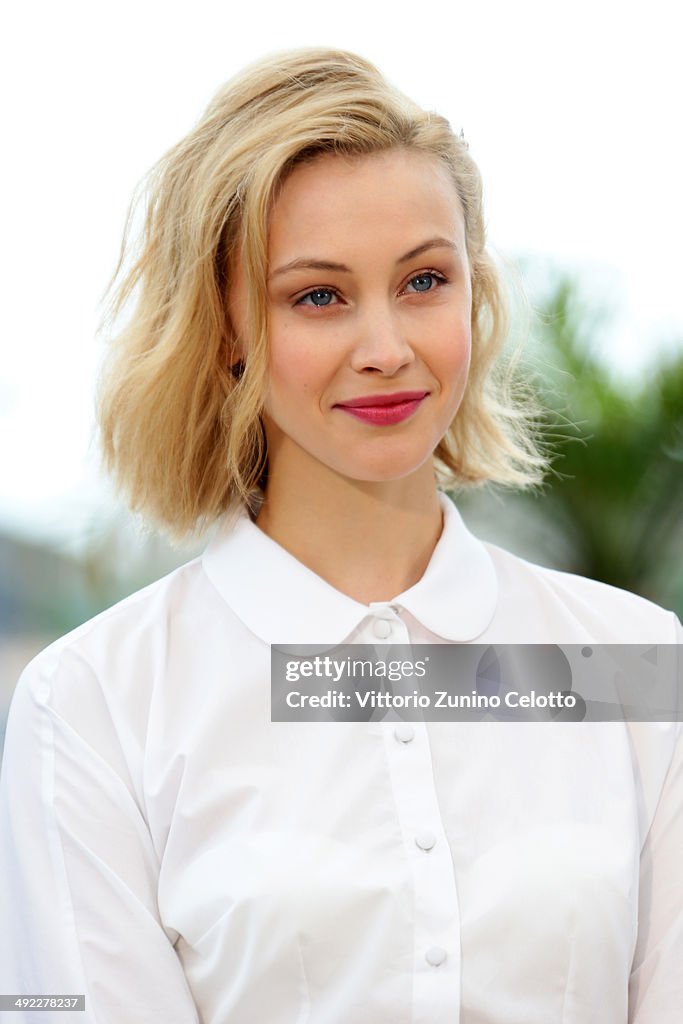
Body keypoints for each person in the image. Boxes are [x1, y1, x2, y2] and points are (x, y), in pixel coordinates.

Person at [0, 47, 681, 1024]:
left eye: (422, 281)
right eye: (317, 295)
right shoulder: (96, 705)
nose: (385, 349)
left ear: (472, 296)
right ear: (226, 323)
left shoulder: (633, 661)